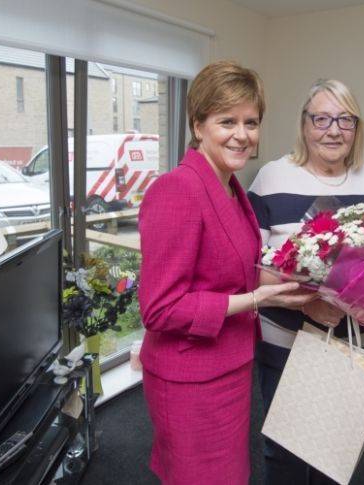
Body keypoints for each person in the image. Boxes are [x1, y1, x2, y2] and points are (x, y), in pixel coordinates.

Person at [137, 60, 312, 485]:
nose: (242, 134)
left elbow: (231, 272)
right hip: (190, 379)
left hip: (229, 366)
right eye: (227, 121)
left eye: (251, 122)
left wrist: (303, 274)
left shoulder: (231, 187)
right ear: (198, 125)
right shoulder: (177, 189)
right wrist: (260, 299)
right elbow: (160, 309)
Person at [247, 79, 364, 485]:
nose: (333, 130)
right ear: (305, 124)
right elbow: (252, 268)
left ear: (357, 127)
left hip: (355, 344)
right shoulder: (271, 178)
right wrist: (308, 303)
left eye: (345, 119)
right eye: (322, 118)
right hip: (286, 342)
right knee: (286, 454)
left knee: (339, 453)